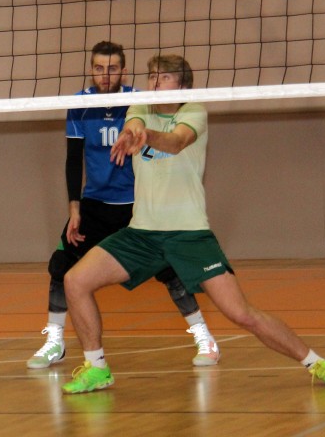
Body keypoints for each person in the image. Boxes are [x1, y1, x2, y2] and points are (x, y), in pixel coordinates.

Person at [61, 55, 325, 394]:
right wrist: (132, 131)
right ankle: (97, 369)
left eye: (164, 77)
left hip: (189, 234)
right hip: (143, 234)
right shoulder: (139, 107)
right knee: (75, 280)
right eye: (151, 76)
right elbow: (134, 124)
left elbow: (176, 142)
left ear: (182, 84)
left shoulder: (194, 111)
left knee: (241, 314)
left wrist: (145, 136)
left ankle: (317, 363)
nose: (154, 82)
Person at [27, 42, 219, 370]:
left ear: (124, 71)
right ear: (91, 70)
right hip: (95, 203)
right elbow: (73, 159)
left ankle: (204, 337)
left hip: (136, 206)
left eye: (113, 68)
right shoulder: (80, 105)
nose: (106, 75)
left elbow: (150, 128)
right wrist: (74, 207)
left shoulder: (139, 101)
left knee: (171, 271)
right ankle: (54, 340)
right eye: (99, 68)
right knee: (61, 266)